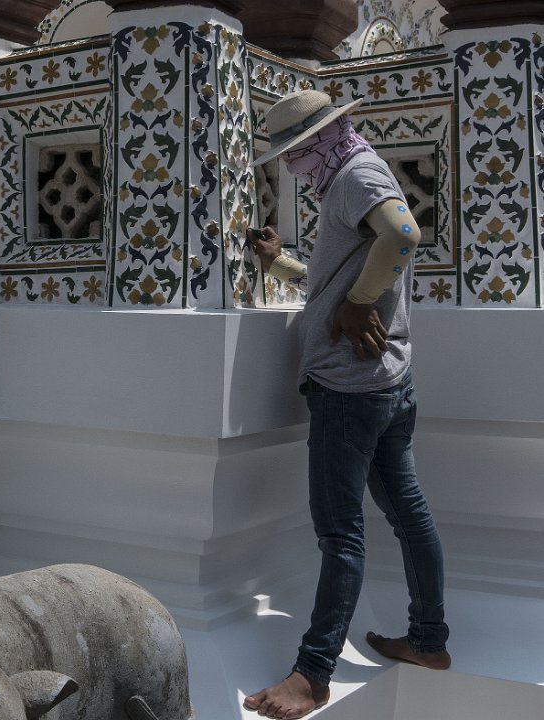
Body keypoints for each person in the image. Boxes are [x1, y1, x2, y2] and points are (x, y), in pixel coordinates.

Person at [243, 90, 450, 719]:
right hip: (388, 381)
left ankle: (312, 675)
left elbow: (403, 235)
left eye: (293, 152)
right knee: (408, 514)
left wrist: (359, 305)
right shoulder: (352, 173)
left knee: (340, 535)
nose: (291, 165)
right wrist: (280, 264)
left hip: (348, 388)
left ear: (317, 141)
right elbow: (338, 276)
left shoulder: (356, 174)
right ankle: (428, 640)